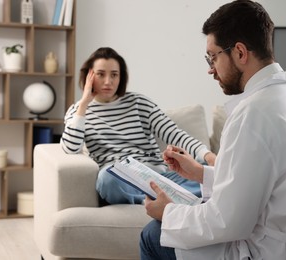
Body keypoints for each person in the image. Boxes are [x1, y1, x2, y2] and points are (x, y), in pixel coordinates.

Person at [140, 1, 286, 259]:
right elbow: (268, 182)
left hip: (272, 252)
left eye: (213, 56)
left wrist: (168, 212)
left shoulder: (254, 114)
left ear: (240, 52)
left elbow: (227, 221)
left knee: (153, 234)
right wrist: (201, 174)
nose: (210, 68)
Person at [61, 47, 216, 205]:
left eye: (114, 74)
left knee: (207, 172)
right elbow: (70, 148)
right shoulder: (78, 111)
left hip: (159, 177)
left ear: (121, 77)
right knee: (105, 180)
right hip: (120, 179)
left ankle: (165, 199)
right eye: (101, 74)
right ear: (89, 76)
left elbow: (175, 134)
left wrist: (208, 156)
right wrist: (84, 104)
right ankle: (168, 200)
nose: (108, 81)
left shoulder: (139, 103)